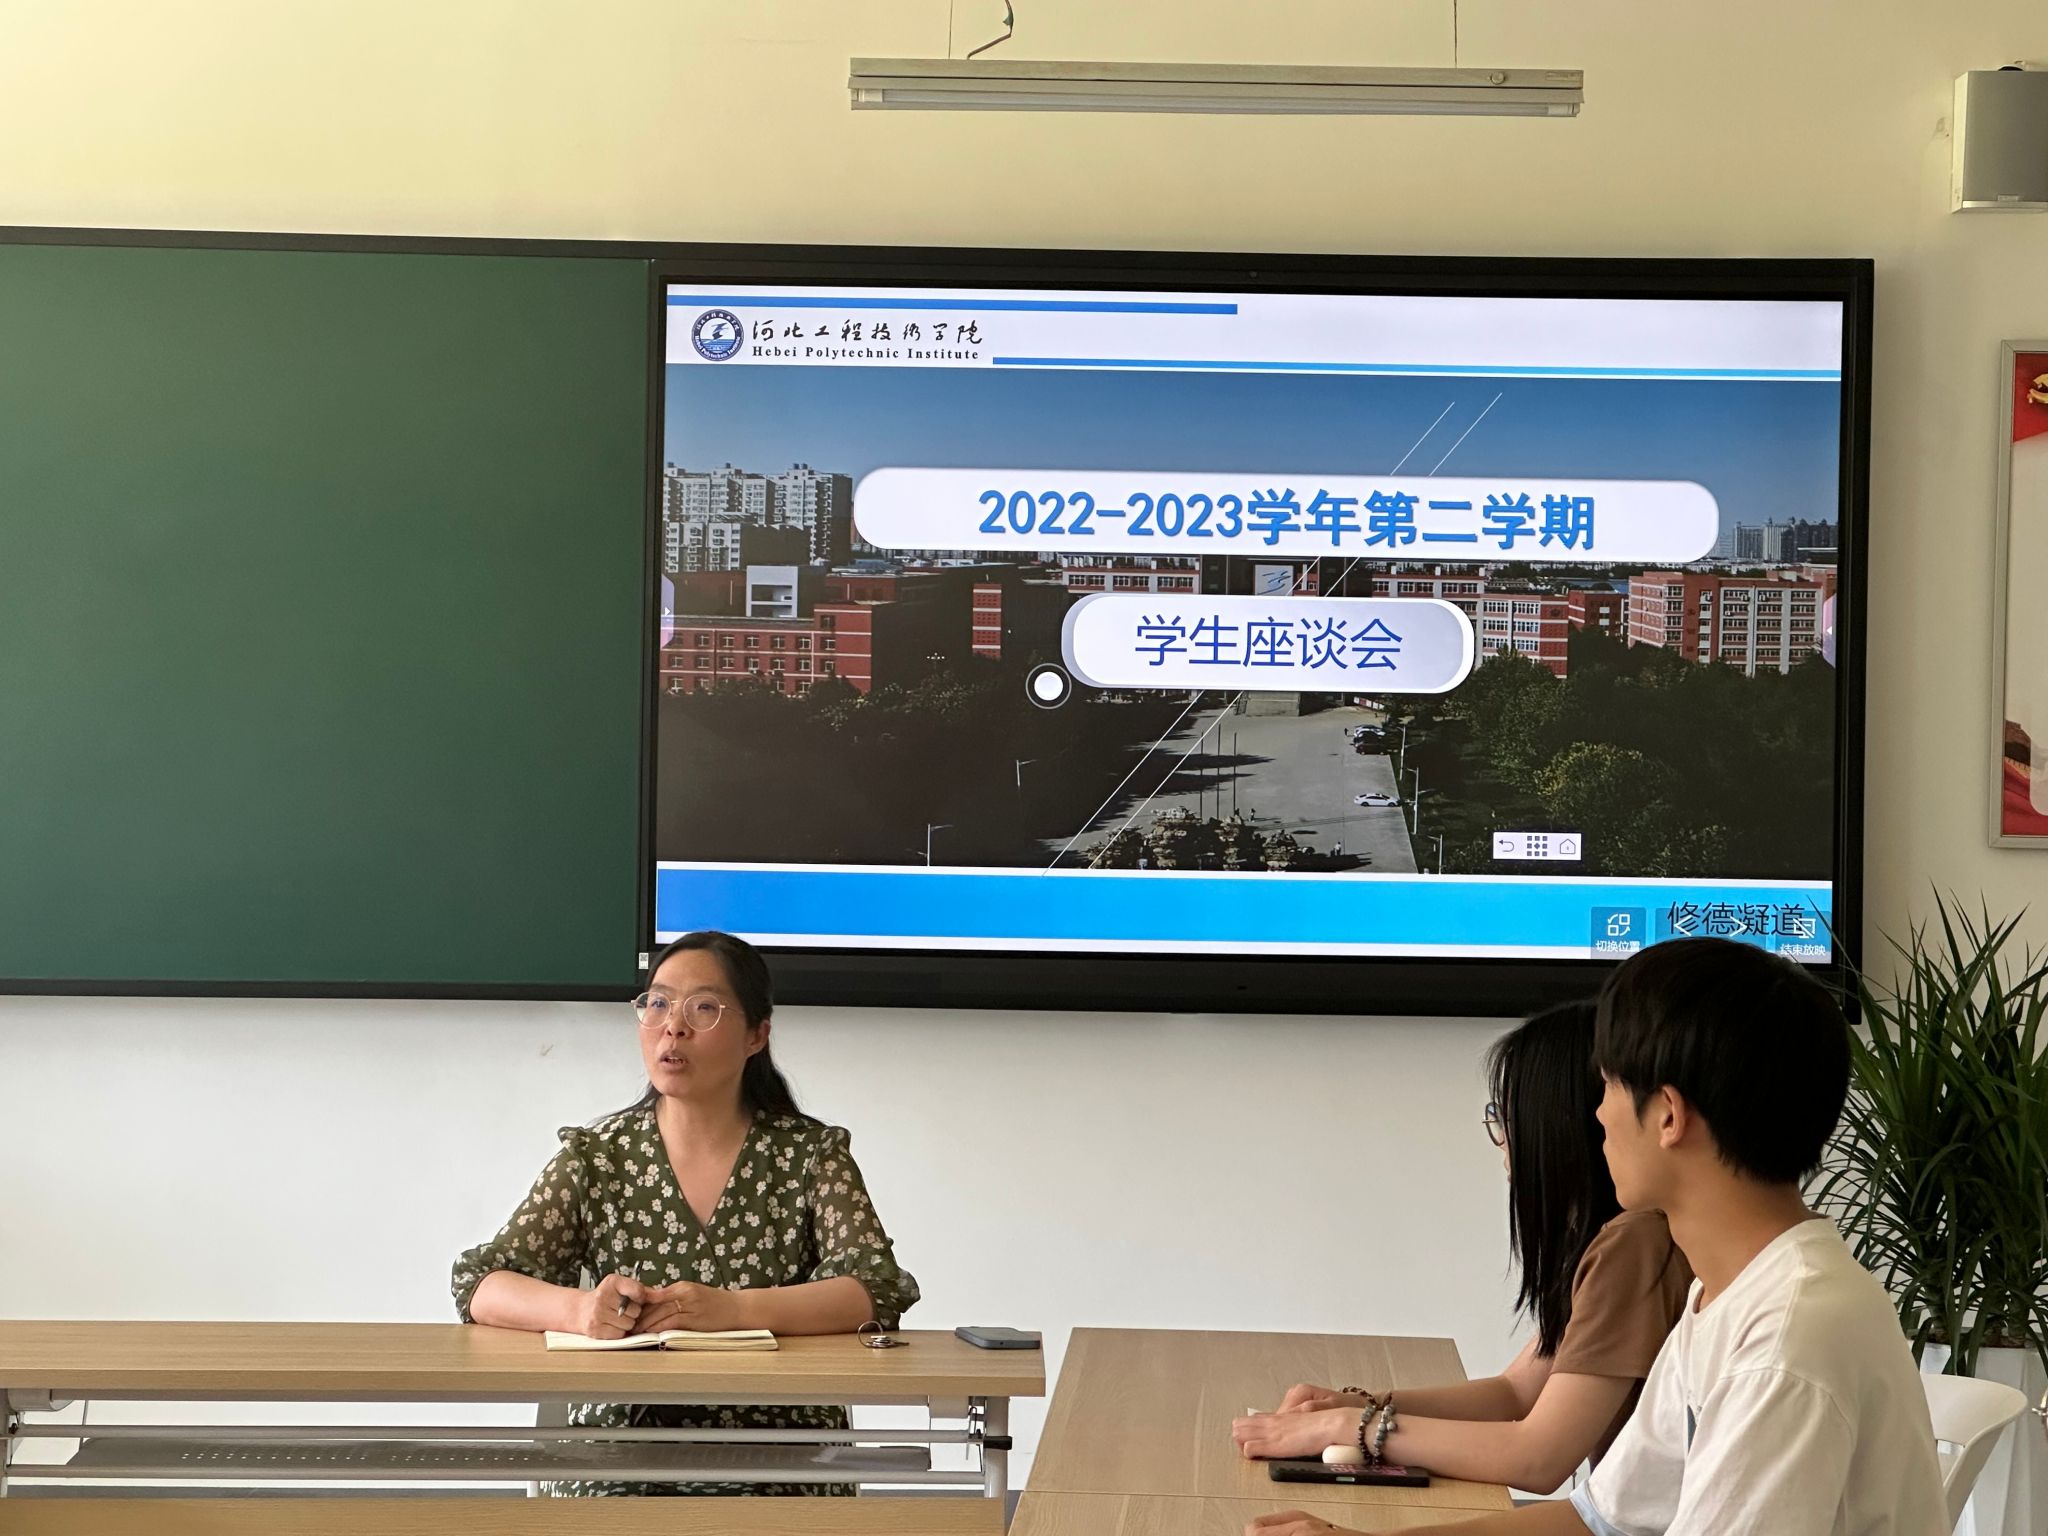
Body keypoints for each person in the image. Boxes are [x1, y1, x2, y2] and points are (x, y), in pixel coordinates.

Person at [1248, 938, 1948, 1536]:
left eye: (1609, 1086)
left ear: (1667, 1115)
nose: (1599, 1115)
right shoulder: (1727, 1294)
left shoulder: (1786, 1343)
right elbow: (1600, 1518)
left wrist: (1357, 1432)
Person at [452, 929, 920, 1497]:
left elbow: (874, 1290)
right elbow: (481, 1285)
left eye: (703, 1008)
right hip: (622, 1454)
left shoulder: (809, 1154)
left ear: (757, 1034)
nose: (672, 1027)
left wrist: (736, 1310)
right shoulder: (597, 1158)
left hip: (785, 1454)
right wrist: (581, 1310)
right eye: (657, 1004)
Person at [1233, 1001, 1692, 1491]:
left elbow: (1538, 1459)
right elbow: (1517, 1392)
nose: (1502, 1138)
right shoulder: (1614, 1238)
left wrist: (1350, 1428)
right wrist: (1360, 1407)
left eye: (1506, 1115)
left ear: (1555, 1123)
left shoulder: (1636, 1243)